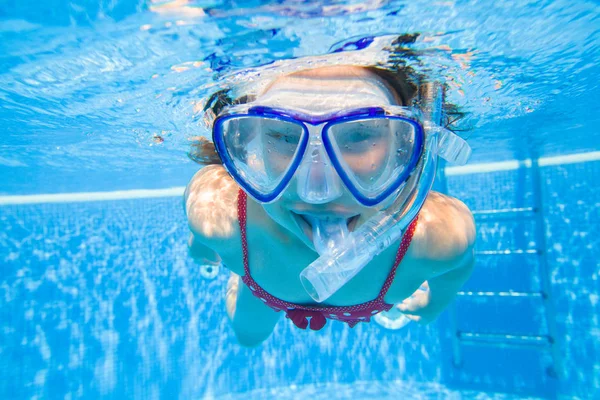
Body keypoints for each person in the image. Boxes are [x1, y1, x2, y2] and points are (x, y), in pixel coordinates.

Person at [185, 42, 476, 347]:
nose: (318, 192)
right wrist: (206, 250)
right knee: (249, 337)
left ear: (407, 149)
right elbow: (201, 234)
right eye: (284, 135)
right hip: (261, 286)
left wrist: (434, 305)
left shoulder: (438, 238)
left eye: (360, 134)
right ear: (249, 145)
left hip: (268, 273)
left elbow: (456, 272)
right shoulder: (220, 215)